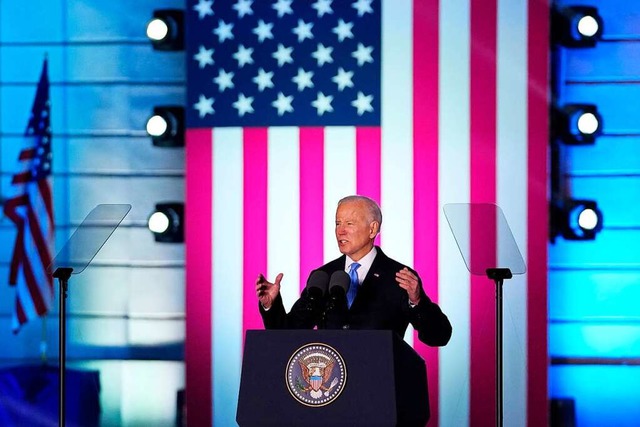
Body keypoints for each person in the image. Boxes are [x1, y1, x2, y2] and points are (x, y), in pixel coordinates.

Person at [255, 195, 452, 347]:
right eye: (337, 223)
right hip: (330, 388)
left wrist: (417, 302)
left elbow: (439, 336)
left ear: (372, 229)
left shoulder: (399, 276)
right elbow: (288, 333)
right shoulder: (323, 276)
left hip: (380, 387)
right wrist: (271, 306)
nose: (340, 231)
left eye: (349, 224)